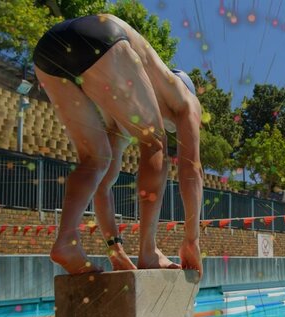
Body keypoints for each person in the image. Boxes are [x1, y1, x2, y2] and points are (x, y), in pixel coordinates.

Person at [32, 14, 203, 278]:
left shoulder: (126, 105)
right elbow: (192, 171)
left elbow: (104, 184)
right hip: (103, 36)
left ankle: (66, 242)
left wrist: (115, 249)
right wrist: (191, 241)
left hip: (48, 50)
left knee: (95, 159)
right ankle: (148, 251)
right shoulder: (187, 100)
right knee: (155, 143)